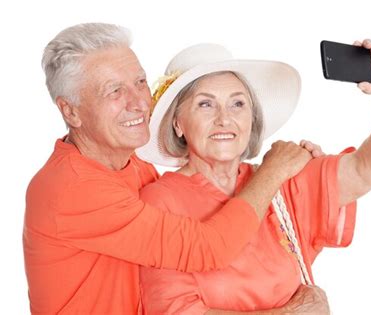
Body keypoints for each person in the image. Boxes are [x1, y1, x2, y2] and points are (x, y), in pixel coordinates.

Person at [22, 23, 317, 314]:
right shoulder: (73, 190)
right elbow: (210, 247)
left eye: (139, 82)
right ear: (70, 111)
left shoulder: (135, 167)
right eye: (114, 91)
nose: (139, 103)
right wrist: (273, 170)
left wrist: (291, 168)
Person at [137, 40, 371, 314]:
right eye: (206, 105)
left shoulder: (284, 181)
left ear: (251, 119)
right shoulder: (161, 202)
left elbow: (366, 169)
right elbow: (175, 311)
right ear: (178, 123)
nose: (225, 119)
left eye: (237, 104)